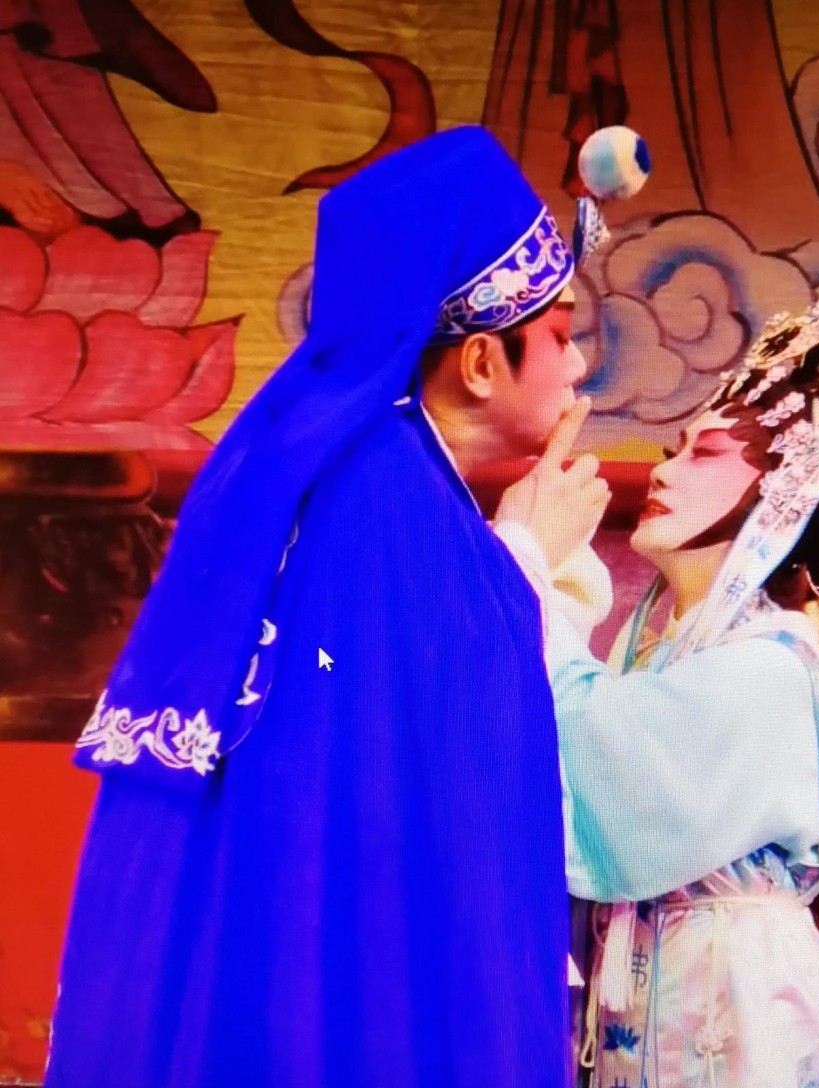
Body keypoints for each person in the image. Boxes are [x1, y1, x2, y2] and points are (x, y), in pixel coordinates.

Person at [47, 126, 608, 1088]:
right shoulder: (383, 487)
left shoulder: (343, 460)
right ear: (481, 362)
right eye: (560, 337)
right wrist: (524, 555)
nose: (578, 367)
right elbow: (439, 716)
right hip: (319, 937)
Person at [496, 295, 819, 1087]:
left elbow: (606, 764)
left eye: (705, 452)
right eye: (674, 449)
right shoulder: (682, 663)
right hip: (673, 985)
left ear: (783, 494)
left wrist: (524, 570)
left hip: (740, 1002)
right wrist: (543, 577)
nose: (663, 470)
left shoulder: (768, 665)